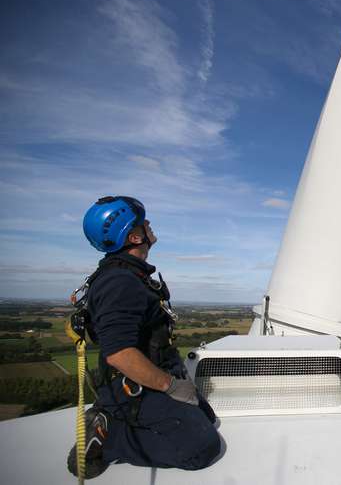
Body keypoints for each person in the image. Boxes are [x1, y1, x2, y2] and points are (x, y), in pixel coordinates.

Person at [68, 196, 221, 478]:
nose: (150, 224)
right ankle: (108, 437)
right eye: (144, 222)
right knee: (203, 447)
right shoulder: (121, 282)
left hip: (152, 373)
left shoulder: (129, 275)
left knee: (208, 418)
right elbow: (119, 354)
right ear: (135, 236)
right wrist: (171, 386)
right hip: (135, 385)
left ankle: (112, 414)